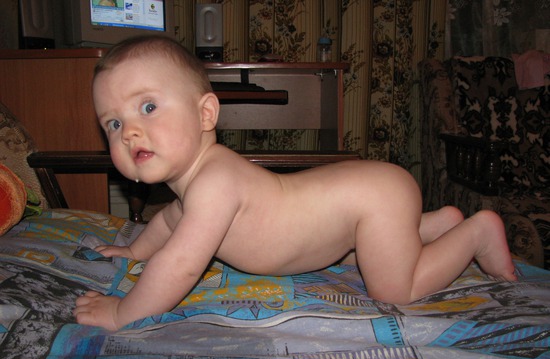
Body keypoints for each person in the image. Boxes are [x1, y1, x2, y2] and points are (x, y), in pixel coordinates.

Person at [74, 35, 516, 331]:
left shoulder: (215, 182)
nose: (129, 132)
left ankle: (475, 232)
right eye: (113, 123)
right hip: (356, 205)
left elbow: (179, 264)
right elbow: (170, 222)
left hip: (375, 197)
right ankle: (436, 226)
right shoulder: (199, 186)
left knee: (395, 291)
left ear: (206, 113)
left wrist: (122, 312)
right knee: (356, 252)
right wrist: (135, 251)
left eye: (147, 107)